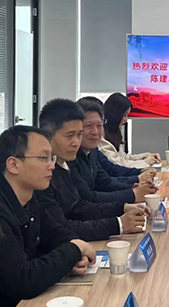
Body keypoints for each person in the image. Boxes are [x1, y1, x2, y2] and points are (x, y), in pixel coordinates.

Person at [0, 126, 97, 307]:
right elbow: (23, 280)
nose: (52, 166)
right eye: (43, 158)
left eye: (51, 158)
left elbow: (56, 233)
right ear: (13, 165)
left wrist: (74, 251)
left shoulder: (27, 197)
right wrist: (75, 250)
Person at [35, 99, 149, 240]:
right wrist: (118, 224)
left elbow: (78, 207)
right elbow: (60, 229)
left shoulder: (63, 163)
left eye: (79, 134)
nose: (76, 142)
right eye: (70, 136)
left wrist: (121, 208)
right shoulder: (40, 173)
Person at [72, 99, 156, 204]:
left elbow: (105, 182)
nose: (95, 132)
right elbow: (89, 198)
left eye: (99, 125)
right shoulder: (71, 157)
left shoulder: (92, 151)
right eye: (88, 126)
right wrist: (132, 193)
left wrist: (133, 187)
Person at [101, 92, 161, 168]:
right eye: (124, 115)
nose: (126, 120)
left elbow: (124, 158)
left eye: (127, 115)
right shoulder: (101, 136)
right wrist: (145, 162)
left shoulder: (112, 133)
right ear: (115, 114)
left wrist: (146, 156)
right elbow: (117, 164)